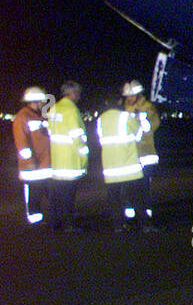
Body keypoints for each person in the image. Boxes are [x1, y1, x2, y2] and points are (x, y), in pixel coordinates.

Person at [97, 93, 153, 232]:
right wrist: (141, 118)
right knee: (136, 197)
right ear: (119, 101)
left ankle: (118, 226)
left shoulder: (100, 120)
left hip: (110, 168)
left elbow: (100, 139)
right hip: (129, 167)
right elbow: (140, 134)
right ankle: (144, 225)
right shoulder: (126, 117)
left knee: (114, 199)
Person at [47, 81, 88, 230]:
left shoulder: (53, 109)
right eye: (78, 93)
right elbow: (77, 137)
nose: (79, 96)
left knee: (56, 196)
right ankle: (69, 225)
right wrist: (83, 160)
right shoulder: (71, 110)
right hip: (70, 161)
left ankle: (54, 223)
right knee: (68, 196)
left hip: (57, 161)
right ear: (73, 93)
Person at [12, 86, 52, 224]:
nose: (43, 103)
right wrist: (29, 160)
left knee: (50, 193)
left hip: (44, 165)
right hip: (32, 167)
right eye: (41, 101)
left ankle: (52, 218)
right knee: (34, 196)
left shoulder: (39, 116)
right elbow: (22, 143)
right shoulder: (22, 117)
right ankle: (34, 221)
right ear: (35, 101)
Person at [121, 79, 159, 221]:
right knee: (128, 188)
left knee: (144, 187)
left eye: (132, 96)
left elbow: (151, 127)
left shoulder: (148, 108)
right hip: (129, 156)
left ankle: (145, 216)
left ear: (139, 94)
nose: (129, 99)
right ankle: (130, 217)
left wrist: (141, 119)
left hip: (145, 154)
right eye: (127, 96)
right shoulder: (124, 109)